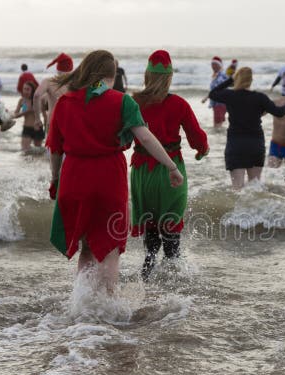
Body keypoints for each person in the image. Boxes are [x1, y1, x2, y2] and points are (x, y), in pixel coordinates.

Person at [46, 50, 183, 295]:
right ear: (113, 74)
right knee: (110, 248)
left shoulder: (65, 102)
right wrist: (171, 166)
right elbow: (146, 137)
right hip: (109, 177)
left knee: (87, 246)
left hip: (74, 177)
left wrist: (55, 178)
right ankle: (109, 304)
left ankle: (83, 303)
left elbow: (54, 149)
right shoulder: (122, 101)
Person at [130, 50, 209, 280]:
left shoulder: (133, 102)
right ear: (169, 77)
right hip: (170, 169)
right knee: (171, 227)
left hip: (142, 172)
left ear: (147, 75)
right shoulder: (179, 104)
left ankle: (147, 273)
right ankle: (173, 281)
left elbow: (121, 138)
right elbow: (196, 137)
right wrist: (202, 150)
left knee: (151, 227)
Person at [209, 67, 285, 189]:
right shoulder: (260, 97)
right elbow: (279, 112)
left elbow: (212, 93)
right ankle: (255, 209)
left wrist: (230, 80)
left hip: (236, 145)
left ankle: (238, 209)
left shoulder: (230, 95)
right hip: (255, 145)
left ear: (238, 79)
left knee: (237, 188)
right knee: (254, 187)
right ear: (251, 80)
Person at [33, 53, 74, 134]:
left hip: (53, 121)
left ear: (57, 69)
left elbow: (36, 95)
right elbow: (95, 87)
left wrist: (37, 119)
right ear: (71, 69)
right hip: (70, 123)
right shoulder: (78, 82)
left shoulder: (48, 81)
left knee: (52, 146)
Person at [14, 79, 44, 150]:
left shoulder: (36, 100)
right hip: (26, 128)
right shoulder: (22, 100)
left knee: (38, 151)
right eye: (24, 89)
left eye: (28, 89)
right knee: (24, 150)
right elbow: (15, 115)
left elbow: (41, 112)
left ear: (32, 90)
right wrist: (26, 111)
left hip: (37, 128)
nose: (25, 91)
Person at [200, 56, 229, 128]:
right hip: (217, 103)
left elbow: (218, 89)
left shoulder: (221, 76)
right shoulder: (216, 75)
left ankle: (219, 138)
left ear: (220, 65)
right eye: (212, 64)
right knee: (219, 124)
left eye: (215, 64)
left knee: (217, 125)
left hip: (220, 103)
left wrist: (206, 98)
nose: (213, 66)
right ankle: (220, 138)